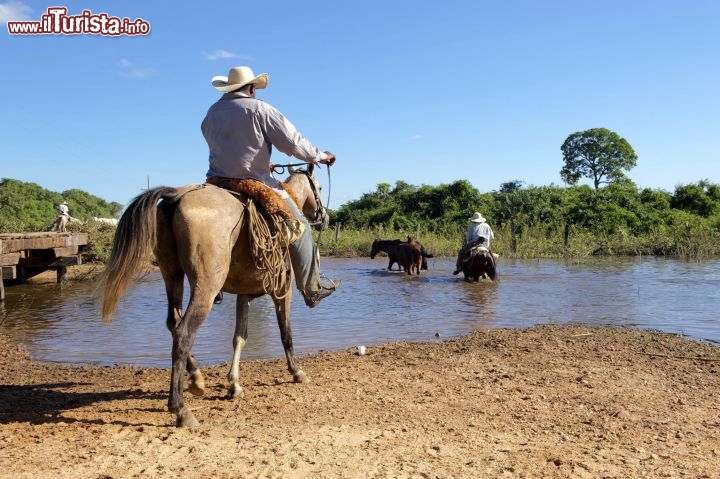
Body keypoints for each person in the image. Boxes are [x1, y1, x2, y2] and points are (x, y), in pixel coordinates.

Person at [201, 66, 340, 308]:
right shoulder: (260, 109)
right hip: (253, 182)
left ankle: (211, 284)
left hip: (217, 181)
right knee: (301, 227)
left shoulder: (212, 112)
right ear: (252, 88)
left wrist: (260, 158)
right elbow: (294, 143)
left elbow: (226, 144)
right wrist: (320, 156)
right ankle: (312, 288)